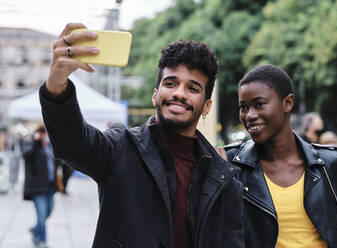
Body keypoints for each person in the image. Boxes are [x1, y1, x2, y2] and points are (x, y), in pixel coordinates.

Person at [39, 23, 244, 248]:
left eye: (192, 88)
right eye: (170, 83)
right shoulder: (120, 147)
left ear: (206, 106)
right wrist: (57, 85)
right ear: (155, 95)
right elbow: (72, 144)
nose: (179, 93)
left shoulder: (224, 178)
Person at [216, 65, 337, 248]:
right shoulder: (232, 163)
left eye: (259, 105)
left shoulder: (329, 162)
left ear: (288, 103)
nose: (249, 115)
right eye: (243, 107)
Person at [20, 125, 56, 248]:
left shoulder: (49, 146)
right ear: (36, 133)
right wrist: (36, 142)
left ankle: (35, 229)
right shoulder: (29, 144)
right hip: (37, 187)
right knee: (41, 214)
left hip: (50, 186)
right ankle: (42, 241)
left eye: (44, 132)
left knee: (49, 210)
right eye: (40, 132)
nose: (43, 135)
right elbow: (27, 155)